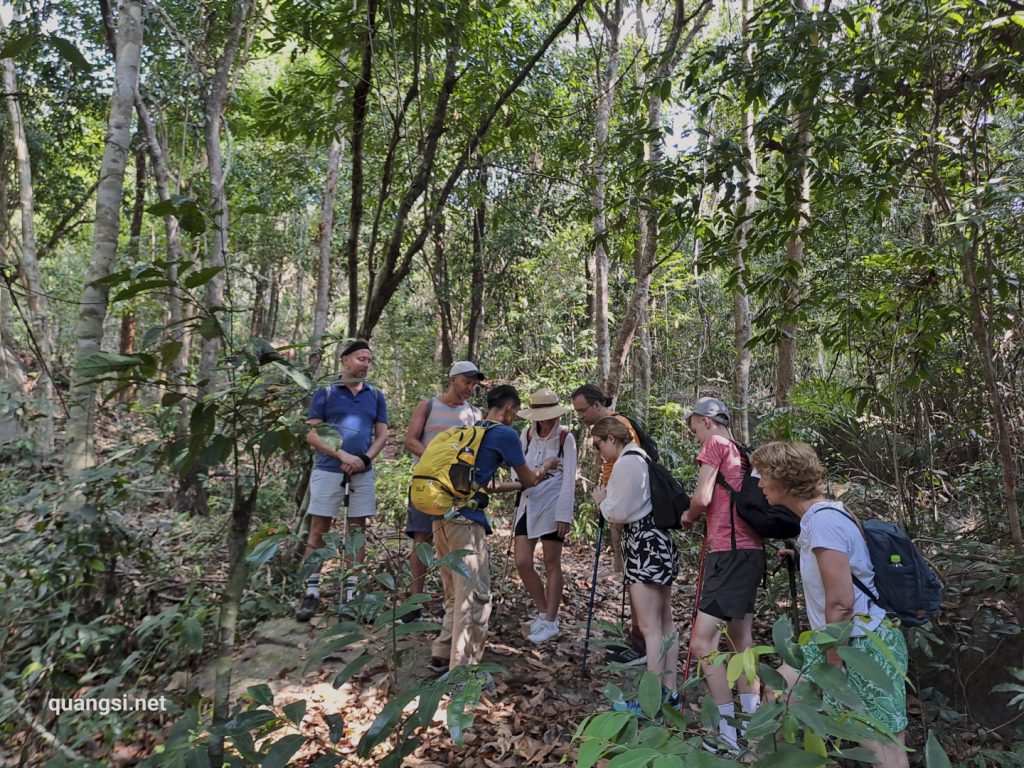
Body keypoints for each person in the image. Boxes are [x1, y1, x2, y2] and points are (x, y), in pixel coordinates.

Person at [750, 441, 909, 768]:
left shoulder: (823, 522)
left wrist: (834, 661)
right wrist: (801, 556)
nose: (759, 482)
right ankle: (756, 757)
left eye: (764, 474)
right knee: (779, 695)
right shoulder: (826, 515)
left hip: (859, 644)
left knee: (882, 746)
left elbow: (841, 602)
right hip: (837, 640)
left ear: (784, 478)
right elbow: (847, 568)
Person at [429, 385, 561, 672]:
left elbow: (488, 484)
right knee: (475, 594)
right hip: (466, 522)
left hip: (440, 516)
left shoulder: (471, 432)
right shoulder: (505, 434)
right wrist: (547, 466)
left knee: (454, 591)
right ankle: (463, 669)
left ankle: (442, 650)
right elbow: (528, 478)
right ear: (511, 408)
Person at [680, 396, 762, 751]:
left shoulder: (715, 444)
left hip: (729, 554)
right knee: (741, 642)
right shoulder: (743, 452)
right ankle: (754, 731)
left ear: (707, 421)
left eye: (694, 428)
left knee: (701, 643)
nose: (696, 436)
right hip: (749, 553)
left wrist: (688, 517)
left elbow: (702, 497)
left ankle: (727, 736)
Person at [590, 416, 679, 713]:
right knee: (664, 624)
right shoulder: (643, 458)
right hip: (657, 543)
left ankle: (650, 701)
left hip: (643, 545)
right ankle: (670, 692)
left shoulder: (627, 463)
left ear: (610, 439)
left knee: (650, 627)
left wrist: (601, 501)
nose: (599, 451)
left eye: (598, 444)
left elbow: (619, 511)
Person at [295, 340, 389, 622]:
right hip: (328, 468)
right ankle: (310, 593)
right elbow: (311, 435)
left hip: (362, 471)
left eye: (369, 360)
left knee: (356, 532)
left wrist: (365, 459)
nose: (365, 364)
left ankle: (351, 595)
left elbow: (382, 434)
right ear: (344, 360)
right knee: (319, 531)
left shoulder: (375, 395)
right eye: (360, 359)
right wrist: (343, 455)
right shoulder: (325, 392)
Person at [570, 383, 648, 666]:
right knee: (631, 577)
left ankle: (642, 642)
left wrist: (608, 502)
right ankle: (637, 637)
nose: (580, 416)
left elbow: (628, 473)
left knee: (637, 579)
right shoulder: (607, 428)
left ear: (597, 405)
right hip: (618, 508)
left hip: (630, 515)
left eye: (582, 411)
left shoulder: (618, 426)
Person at [402, 361, 484, 623]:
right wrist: (436, 461)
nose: (471, 388)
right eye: (467, 382)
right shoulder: (428, 406)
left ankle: (452, 605)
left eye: (474, 384)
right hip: (426, 486)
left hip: (457, 491)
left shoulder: (475, 414)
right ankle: (415, 602)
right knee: (421, 538)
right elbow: (410, 439)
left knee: (453, 544)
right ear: (453, 380)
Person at [511, 389, 577, 644]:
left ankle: (550, 620)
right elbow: (518, 471)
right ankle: (541, 611)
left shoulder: (565, 438)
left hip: (552, 504)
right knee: (522, 561)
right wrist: (541, 468)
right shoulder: (526, 435)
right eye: (543, 417)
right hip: (527, 503)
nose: (547, 422)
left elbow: (569, 478)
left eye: (551, 417)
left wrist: (564, 514)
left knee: (551, 562)